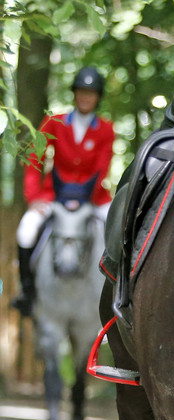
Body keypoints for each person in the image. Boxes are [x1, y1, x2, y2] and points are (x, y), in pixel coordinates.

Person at [11, 66, 115, 317]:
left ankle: (119, 293)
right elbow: (35, 157)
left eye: (90, 93)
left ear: (98, 96)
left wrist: (83, 197)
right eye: (81, 91)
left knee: (120, 230)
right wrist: (33, 197)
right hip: (53, 196)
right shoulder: (54, 122)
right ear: (75, 93)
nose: (85, 97)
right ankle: (27, 292)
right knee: (26, 230)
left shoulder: (106, 129)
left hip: (92, 197)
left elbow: (102, 167)